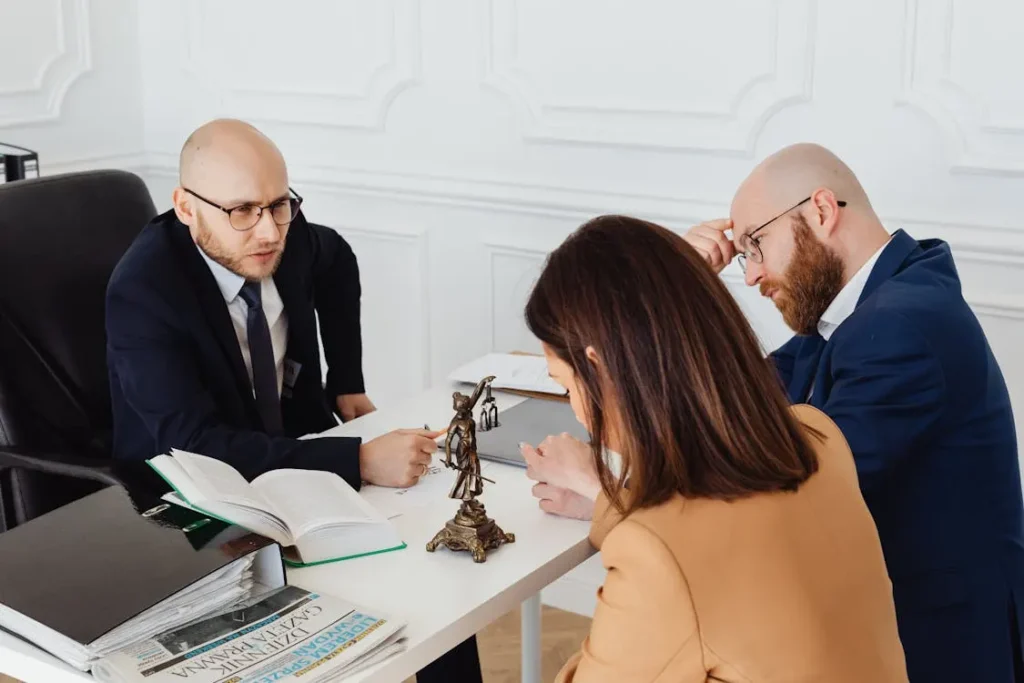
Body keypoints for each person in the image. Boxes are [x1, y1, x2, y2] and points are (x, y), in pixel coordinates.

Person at [530, 143, 1024, 682]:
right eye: (742, 253)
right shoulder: (853, 314)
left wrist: (604, 492)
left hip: (941, 642)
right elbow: (737, 402)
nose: (750, 274)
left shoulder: (902, 327)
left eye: (756, 244)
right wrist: (673, 293)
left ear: (820, 211)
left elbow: (784, 498)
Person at [106, 119, 482, 683]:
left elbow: (337, 262)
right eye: (241, 211)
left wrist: (346, 382)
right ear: (185, 207)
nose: (268, 232)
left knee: (434, 580)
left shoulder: (287, 231)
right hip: (192, 497)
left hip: (292, 452)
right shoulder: (142, 292)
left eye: (279, 204)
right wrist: (356, 459)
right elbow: (194, 448)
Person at [523, 214, 907, 682]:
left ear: (599, 366)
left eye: (566, 388)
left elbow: (674, 553)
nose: (577, 413)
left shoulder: (657, 555)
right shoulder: (816, 436)